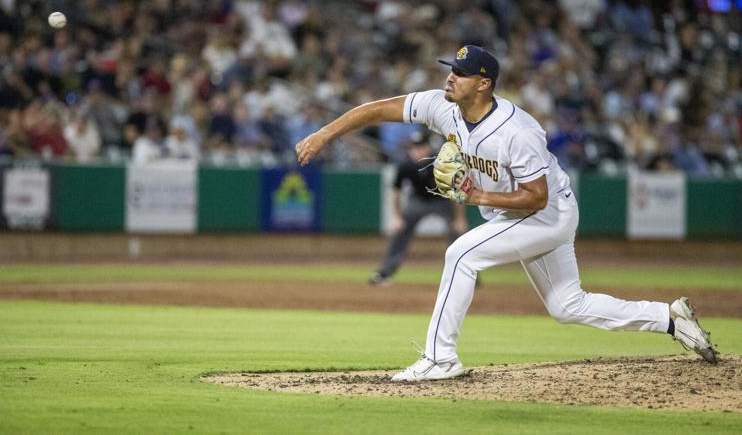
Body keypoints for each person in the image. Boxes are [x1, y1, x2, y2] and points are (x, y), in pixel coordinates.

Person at [296, 45, 718, 382]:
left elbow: (536, 197)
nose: (450, 77)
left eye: (460, 73)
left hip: (546, 214)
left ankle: (441, 359)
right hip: (519, 214)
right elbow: (377, 109)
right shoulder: (444, 107)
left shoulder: (518, 131)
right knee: (567, 306)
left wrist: (476, 195)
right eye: (451, 69)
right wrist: (323, 133)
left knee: (461, 255)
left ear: (484, 83)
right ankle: (667, 317)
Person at [369, 130, 468, 287]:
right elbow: (396, 192)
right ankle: (385, 273)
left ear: (429, 148)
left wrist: (460, 219)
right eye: (414, 148)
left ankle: (466, 276)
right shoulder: (405, 164)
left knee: (457, 233)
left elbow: (456, 191)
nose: (417, 151)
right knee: (400, 231)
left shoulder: (442, 161)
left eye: (421, 147)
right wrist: (398, 217)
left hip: (443, 200)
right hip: (418, 200)